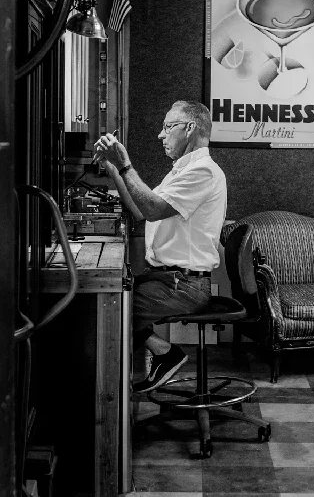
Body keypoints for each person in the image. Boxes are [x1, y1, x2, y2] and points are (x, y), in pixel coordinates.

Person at [93, 101, 227, 393]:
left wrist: (125, 164)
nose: (160, 135)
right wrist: (115, 167)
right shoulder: (181, 170)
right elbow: (141, 209)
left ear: (190, 128)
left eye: (168, 127)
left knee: (109, 310)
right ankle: (163, 352)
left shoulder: (202, 171)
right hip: (167, 279)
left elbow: (152, 209)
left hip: (183, 286)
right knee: (112, 298)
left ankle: (157, 361)